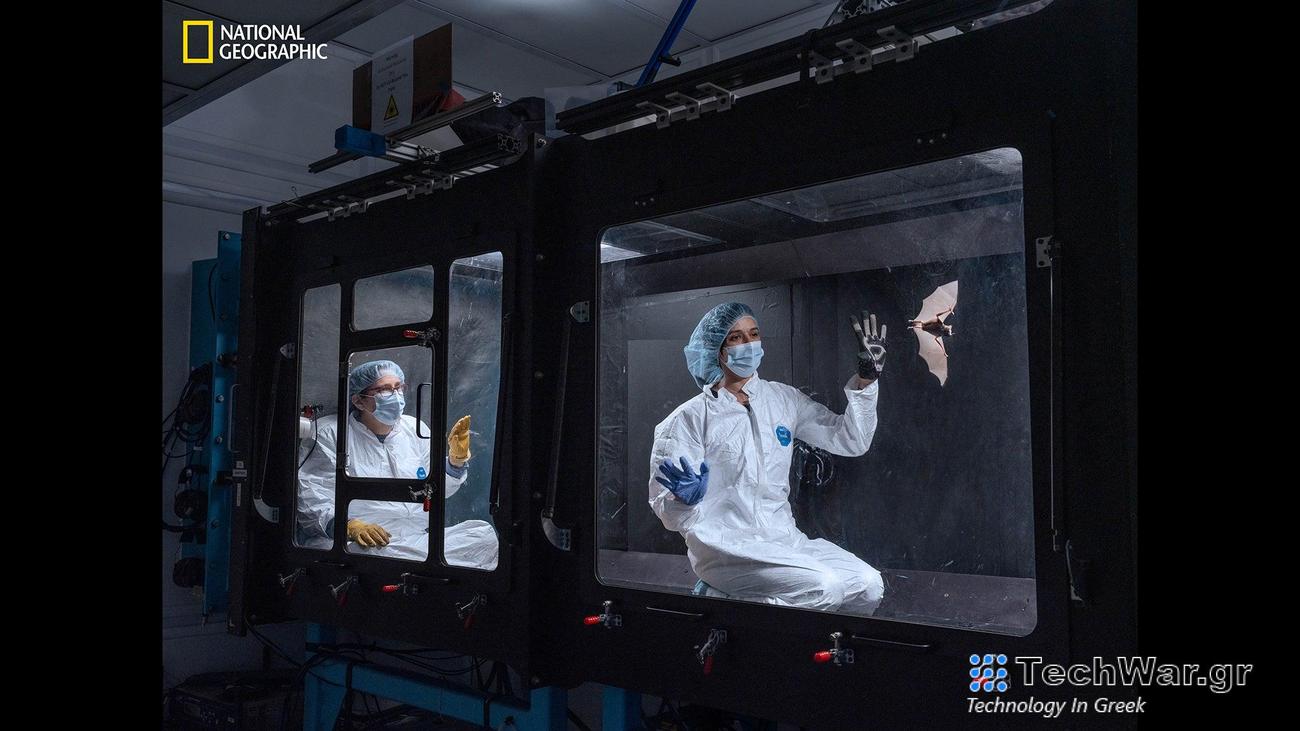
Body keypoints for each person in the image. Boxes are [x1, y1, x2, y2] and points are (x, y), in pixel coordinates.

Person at [648, 302, 887, 614]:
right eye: (735, 338)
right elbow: (669, 511)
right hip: (725, 548)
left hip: (782, 540)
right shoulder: (689, 419)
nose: (749, 345)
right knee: (824, 587)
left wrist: (866, 379)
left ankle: (741, 607)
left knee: (868, 585)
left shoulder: (782, 400)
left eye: (754, 334)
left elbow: (850, 440)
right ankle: (745, 620)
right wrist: (685, 500)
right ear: (716, 349)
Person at [296, 359, 498, 569]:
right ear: (358, 401)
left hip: (414, 538)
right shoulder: (331, 434)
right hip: (357, 542)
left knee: (483, 535)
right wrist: (346, 526)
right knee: (384, 556)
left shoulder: (415, 429)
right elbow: (310, 494)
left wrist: (454, 464)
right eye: (384, 390)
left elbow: (436, 490)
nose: (395, 396)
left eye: (398, 388)